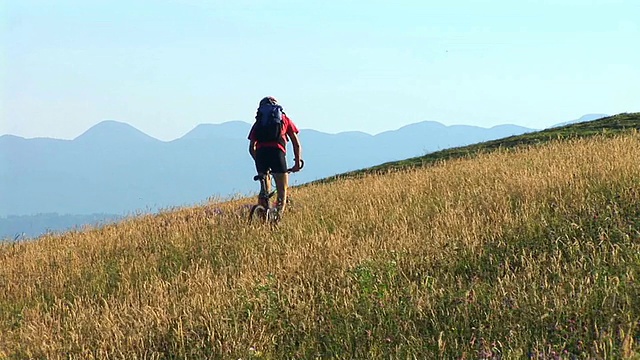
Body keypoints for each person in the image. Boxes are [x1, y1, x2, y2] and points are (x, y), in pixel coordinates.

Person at [248, 96, 302, 214]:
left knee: (264, 189)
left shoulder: (258, 122)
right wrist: (297, 162)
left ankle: (262, 215)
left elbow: (251, 148)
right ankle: (276, 221)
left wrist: (258, 161)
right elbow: (296, 143)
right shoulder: (284, 119)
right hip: (277, 153)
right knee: (282, 191)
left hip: (261, 155)